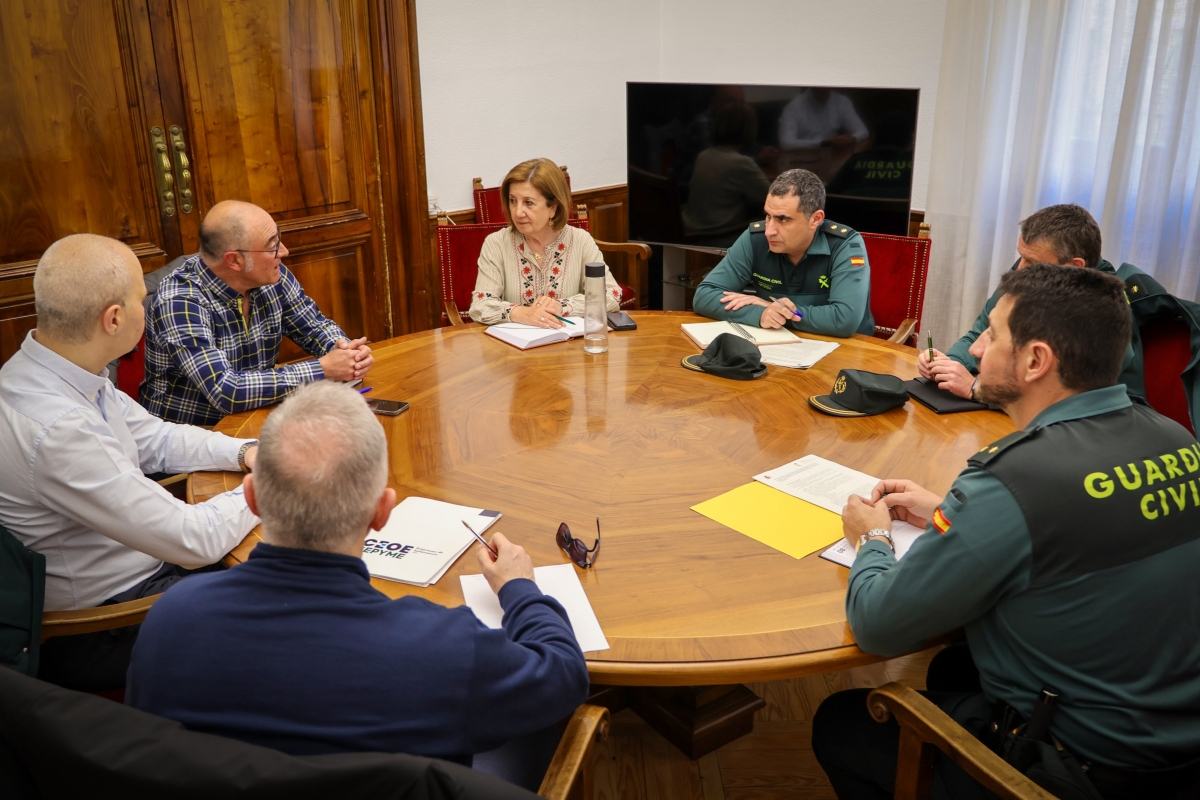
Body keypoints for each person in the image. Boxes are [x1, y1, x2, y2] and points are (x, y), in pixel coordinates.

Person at [814, 264, 1200, 799]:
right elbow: (1087, 525)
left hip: (1083, 769)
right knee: (954, 666)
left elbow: (878, 626)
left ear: (1036, 360)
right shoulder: (1176, 438)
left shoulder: (1012, 478)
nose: (975, 349)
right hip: (1179, 741)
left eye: (992, 335)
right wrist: (952, 511)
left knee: (840, 724)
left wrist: (873, 538)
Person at [126, 382, 589, 789]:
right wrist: (520, 590)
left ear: (251, 498)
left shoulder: (170, 621)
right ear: (382, 512)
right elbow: (564, 675)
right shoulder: (442, 647)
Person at [0, 234, 260, 692]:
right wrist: (275, 480)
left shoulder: (58, 371)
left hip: (150, 566)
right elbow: (194, 540)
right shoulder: (56, 427)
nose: (149, 308)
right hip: (105, 623)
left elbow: (157, 440)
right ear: (114, 319)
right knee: (291, 607)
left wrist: (246, 452)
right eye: (143, 298)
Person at [140, 200, 373, 426]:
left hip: (258, 415)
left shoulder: (271, 276)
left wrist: (345, 352)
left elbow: (315, 326)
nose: (284, 251)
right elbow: (225, 391)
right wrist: (323, 369)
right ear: (235, 260)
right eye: (272, 246)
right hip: (193, 433)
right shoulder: (180, 301)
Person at [921, 203, 1142, 400]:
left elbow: (1064, 396)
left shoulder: (1104, 309)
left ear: (1074, 266)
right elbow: (978, 334)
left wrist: (977, 388)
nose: (1020, 269)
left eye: (1032, 262)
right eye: (1022, 256)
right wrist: (948, 366)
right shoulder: (1029, 276)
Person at [692, 169, 875, 337]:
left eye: (783, 219)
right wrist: (760, 314)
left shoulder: (844, 245)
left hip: (846, 350)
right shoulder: (755, 238)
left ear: (815, 219)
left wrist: (775, 310)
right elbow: (704, 296)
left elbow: (843, 320)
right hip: (776, 343)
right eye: (768, 216)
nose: (769, 231)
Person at [468, 158, 622, 328]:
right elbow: (480, 305)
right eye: (513, 200)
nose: (518, 212)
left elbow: (612, 295)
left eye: (528, 202)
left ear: (553, 207)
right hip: (513, 343)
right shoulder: (496, 243)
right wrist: (520, 313)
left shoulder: (580, 240)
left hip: (568, 342)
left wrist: (563, 307)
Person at [777, 88, 869, 151]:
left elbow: (863, 131)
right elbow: (786, 143)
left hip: (831, 157)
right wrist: (824, 143)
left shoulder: (842, 102)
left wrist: (852, 139)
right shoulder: (793, 107)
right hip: (802, 159)